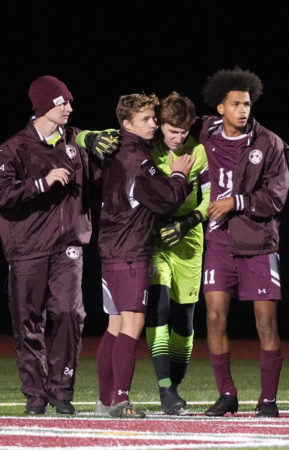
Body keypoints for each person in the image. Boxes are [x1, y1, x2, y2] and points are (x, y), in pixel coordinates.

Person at [0, 75, 96, 415]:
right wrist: (42, 182)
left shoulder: (79, 142)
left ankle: (62, 390)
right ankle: (35, 395)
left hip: (68, 245)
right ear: (45, 104)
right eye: (63, 101)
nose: (70, 107)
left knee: (69, 312)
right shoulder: (13, 149)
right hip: (28, 248)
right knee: (27, 322)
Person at [198, 68, 289, 418]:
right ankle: (227, 394)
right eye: (236, 104)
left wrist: (236, 202)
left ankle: (268, 399)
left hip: (258, 243)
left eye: (247, 103)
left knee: (266, 322)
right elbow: (172, 120)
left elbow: (276, 197)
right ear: (220, 107)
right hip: (218, 241)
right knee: (213, 317)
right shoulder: (204, 131)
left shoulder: (269, 143)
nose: (243, 110)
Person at [94, 93, 195, 419]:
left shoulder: (116, 154)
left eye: (154, 118)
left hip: (110, 248)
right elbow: (166, 200)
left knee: (115, 325)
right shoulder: (139, 160)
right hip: (129, 251)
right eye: (147, 119)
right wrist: (179, 175)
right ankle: (120, 401)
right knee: (133, 323)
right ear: (127, 123)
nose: (154, 124)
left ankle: (105, 400)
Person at [144, 92, 210, 415]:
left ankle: (175, 387)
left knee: (184, 322)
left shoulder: (198, 152)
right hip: (156, 241)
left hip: (189, 242)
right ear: (161, 126)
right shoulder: (150, 150)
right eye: (172, 131)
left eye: (183, 131)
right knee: (159, 307)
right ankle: (165, 389)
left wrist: (187, 223)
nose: (177, 138)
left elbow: (210, 198)